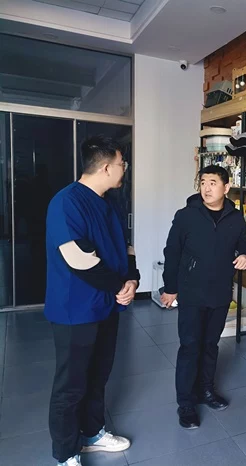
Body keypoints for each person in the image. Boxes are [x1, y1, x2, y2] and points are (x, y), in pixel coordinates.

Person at [45, 135, 140, 466]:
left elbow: (126, 245)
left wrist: (132, 278)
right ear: (106, 167)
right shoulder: (66, 202)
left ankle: (92, 433)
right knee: (71, 385)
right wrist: (118, 285)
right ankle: (66, 453)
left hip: (106, 305)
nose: (124, 169)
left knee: (99, 374)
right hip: (76, 310)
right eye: (122, 164)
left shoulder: (111, 202)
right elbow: (78, 258)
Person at [161, 165, 246, 429]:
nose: (206, 188)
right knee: (190, 346)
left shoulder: (235, 217)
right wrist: (170, 288)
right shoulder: (186, 216)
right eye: (203, 182)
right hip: (191, 291)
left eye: (213, 182)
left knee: (211, 345)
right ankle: (186, 403)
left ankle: (206, 390)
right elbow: (172, 252)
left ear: (226, 187)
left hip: (220, 292)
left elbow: (244, 243)